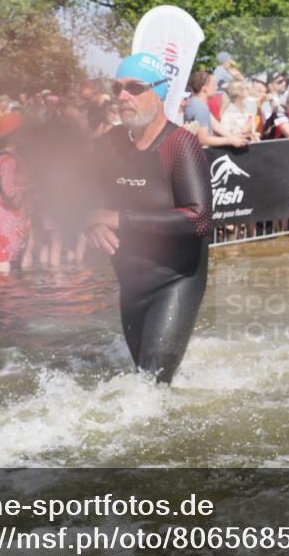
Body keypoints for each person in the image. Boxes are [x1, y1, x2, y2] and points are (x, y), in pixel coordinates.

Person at [86, 53, 212, 384]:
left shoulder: (179, 145)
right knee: (142, 380)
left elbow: (199, 218)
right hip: (131, 285)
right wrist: (93, 220)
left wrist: (120, 219)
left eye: (135, 87)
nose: (123, 96)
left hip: (175, 281)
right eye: (118, 88)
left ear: (159, 93)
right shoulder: (111, 144)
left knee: (153, 386)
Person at [0, 112, 33, 273]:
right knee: (5, 256)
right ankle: (6, 290)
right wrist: (24, 193)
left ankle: (15, 288)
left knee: (14, 253)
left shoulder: (10, 156)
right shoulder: (8, 159)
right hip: (9, 211)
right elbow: (8, 190)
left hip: (16, 211)